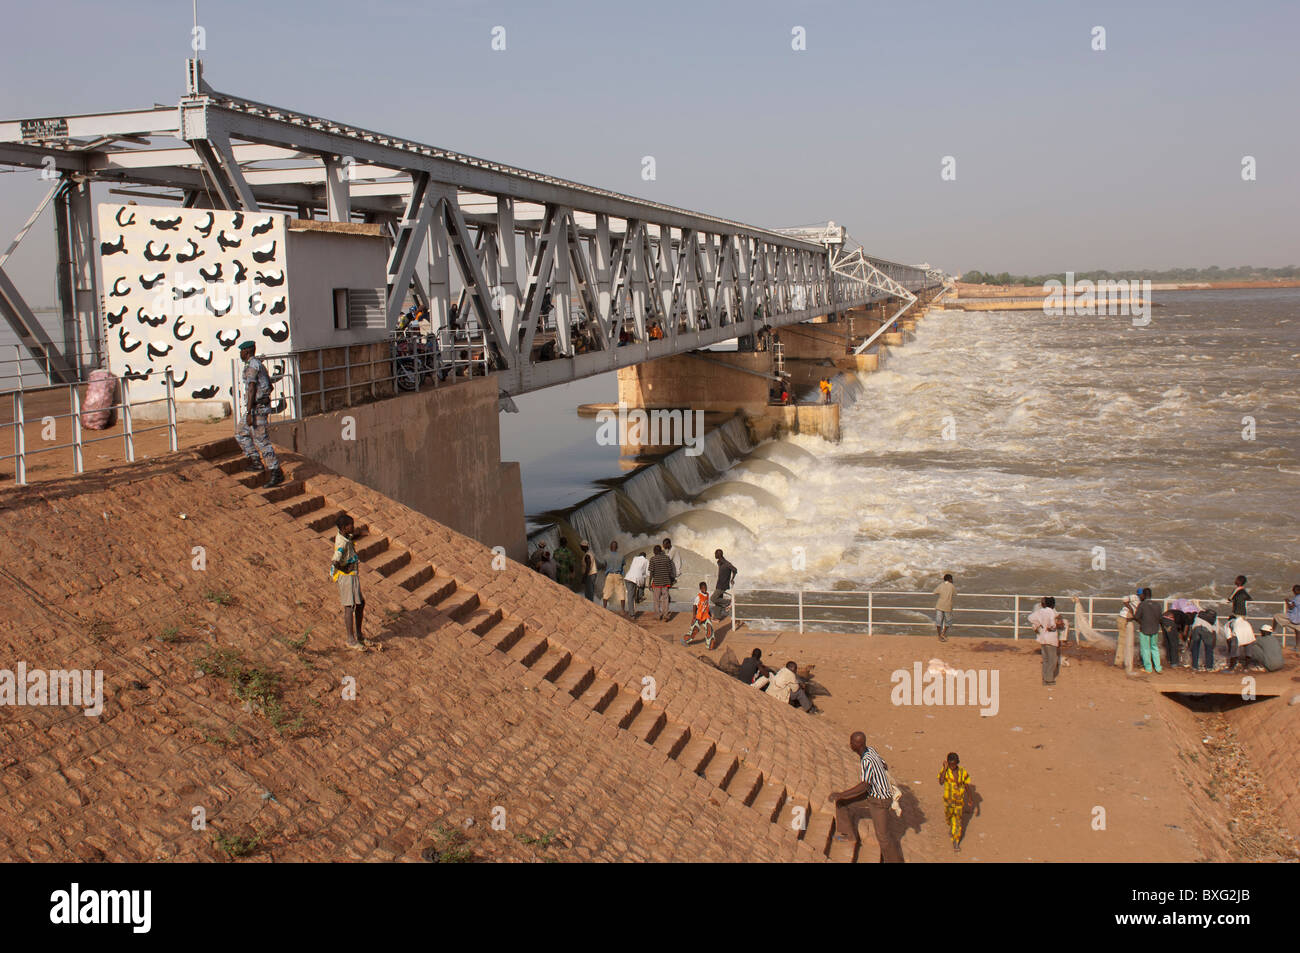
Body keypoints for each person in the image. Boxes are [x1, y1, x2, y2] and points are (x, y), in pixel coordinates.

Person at [828, 731, 902, 862]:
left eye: (851, 742)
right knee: (842, 803)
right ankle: (848, 835)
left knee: (883, 837)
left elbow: (864, 785)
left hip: (879, 801)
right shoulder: (870, 750)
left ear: (857, 744)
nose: (850, 744)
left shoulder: (867, 760)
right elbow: (884, 764)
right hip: (871, 794)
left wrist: (842, 793)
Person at [234, 340, 285, 488]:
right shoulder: (258, 364)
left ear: (247, 351)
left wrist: (249, 411)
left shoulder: (252, 366)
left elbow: (251, 389)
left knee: (261, 440)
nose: (241, 354)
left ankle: (276, 472)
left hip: (257, 409)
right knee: (240, 432)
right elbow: (269, 385)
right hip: (257, 406)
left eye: (242, 351)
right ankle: (256, 461)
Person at [330, 513, 366, 651]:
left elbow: (350, 539)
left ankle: (359, 634)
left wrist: (359, 534)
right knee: (349, 607)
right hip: (347, 577)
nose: (354, 527)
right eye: (352, 526)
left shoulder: (344, 536)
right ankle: (351, 639)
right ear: (345, 528)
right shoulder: (341, 543)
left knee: (360, 603)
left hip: (352, 575)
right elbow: (335, 561)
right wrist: (345, 569)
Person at [752, 660, 818, 713]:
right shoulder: (791, 675)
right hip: (778, 697)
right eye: (795, 669)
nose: (796, 671)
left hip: (770, 692)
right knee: (800, 692)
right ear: (793, 669)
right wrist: (800, 685)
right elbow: (795, 689)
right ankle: (809, 709)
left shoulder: (782, 670)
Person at [937, 752, 971, 853]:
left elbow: (966, 785)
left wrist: (970, 798)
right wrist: (945, 768)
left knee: (957, 821)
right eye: (950, 764)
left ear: (957, 763)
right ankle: (951, 825)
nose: (952, 766)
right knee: (949, 817)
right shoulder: (945, 771)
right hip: (948, 801)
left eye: (954, 764)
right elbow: (941, 782)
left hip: (959, 801)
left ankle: (955, 841)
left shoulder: (962, 772)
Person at [1028, 596, 1066, 686]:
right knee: (1053, 660)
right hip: (1051, 638)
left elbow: (1030, 618)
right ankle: (1049, 679)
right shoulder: (1051, 612)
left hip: (1042, 638)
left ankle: (1045, 679)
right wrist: (1056, 625)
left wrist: (1039, 624)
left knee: (1045, 660)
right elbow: (1052, 625)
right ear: (1053, 605)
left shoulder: (1040, 611)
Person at [1133, 588, 1164, 674]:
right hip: (1155, 629)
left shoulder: (1142, 605)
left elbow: (1136, 617)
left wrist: (1142, 622)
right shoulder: (1157, 605)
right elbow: (1160, 618)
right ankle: (1158, 667)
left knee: (1145, 649)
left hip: (1145, 629)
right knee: (1154, 648)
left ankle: (1148, 668)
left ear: (1143, 595)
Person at [647, 544, 676, 621]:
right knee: (665, 599)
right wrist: (671, 580)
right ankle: (665, 615)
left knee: (656, 599)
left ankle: (657, 615)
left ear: (655, 551)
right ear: (660, 551)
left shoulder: (652, 559)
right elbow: (670, 570)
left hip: (656, 583)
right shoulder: (667, 558)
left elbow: (651, 572)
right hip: (666, 582)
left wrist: (649, 583)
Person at [1115, 586, 1139, 674]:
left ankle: (1121, 659)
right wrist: (1131, 609)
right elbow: (1124, 600)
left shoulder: (1136, 600)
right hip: (1124, 619)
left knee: (1124, 640)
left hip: (1124, 619)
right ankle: (1118, 661)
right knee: (1122, 640)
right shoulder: (1135, 598)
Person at [683, 582, 716, 649]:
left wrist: (709, 612)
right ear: (700, 589)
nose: (704, 589)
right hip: (699, 616)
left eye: (705, 587)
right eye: (703, 588)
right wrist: (694, 615)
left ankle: (709, 645)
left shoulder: (707, 595)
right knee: (695, 631)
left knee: (710, 629)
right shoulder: (699, 596)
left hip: (706, 616)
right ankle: (685, 640)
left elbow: (706, 605)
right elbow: (695, 605)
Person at [1270, 584, 1300, 652]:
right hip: (1298, 617)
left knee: (1276, 616)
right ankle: (1297, 647)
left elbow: (1291, 606)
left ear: (1296, 591)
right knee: (1298, 631)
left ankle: (1273, 630)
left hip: (1295, 616)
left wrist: (1287, 601)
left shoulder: (1298, 597)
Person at [623, 551, 649, 620]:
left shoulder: (635, 558)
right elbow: (647, 573)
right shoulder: (646, 561)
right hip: (637, 578)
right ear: (645, 556)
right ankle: (639, 597)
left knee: (630, 596)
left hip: (628, 577)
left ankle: (632, 614)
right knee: (642, 584)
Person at [713, 549, 738, 617]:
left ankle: (729, 602)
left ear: (719, 555)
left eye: (715, 554)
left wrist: (732, 579)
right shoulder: (719, 562)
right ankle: (717, 617)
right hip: (719, 583)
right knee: (718, 601)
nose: (714, 555)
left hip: (723, 585)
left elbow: (735, 570)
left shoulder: (726, 563)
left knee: (713, 598)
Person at [601, 540, 623, 611]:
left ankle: (604, 608)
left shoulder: (606, 556)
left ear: (610, 547)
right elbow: (622, 565)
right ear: (617, 547)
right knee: (621, 593)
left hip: (609, 575)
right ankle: (623, 610)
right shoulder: (621, 556)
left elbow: (605, 565)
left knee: (606, 592)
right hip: (618, 575)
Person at [933, 573, 956, 641]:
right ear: (950, 579)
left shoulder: (941, 585)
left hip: (939, 605)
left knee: (938, 621)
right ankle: (943, 633)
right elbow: (955, 593)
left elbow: (934, 592)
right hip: (947, 606)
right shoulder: (952, 586)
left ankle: (939, 635)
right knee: (948, 621)